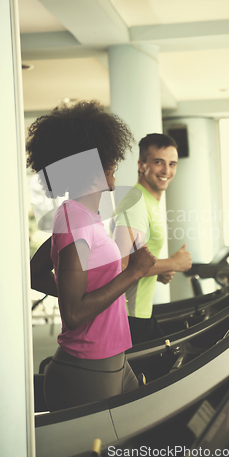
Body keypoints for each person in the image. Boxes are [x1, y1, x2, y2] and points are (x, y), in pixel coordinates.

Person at [26, 100, 156, 411]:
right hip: (88, 369)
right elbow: (73, 314)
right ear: (90, 168)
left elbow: (35, 273)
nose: (114, 164)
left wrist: (80, 293)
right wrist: (133, 272)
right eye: (109, 159)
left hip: (112, 360)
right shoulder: (75, 221)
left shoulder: (82, 217)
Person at [113, 133, 192, 345]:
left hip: (141, 313)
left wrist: (159, 272)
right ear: (141, 165)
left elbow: (137, 261)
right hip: (130, 318)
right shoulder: (136, 203)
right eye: (159, 163)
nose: (167, 171)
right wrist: (174, 263)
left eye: (172, 164)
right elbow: (122, 266)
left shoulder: (148, 201)